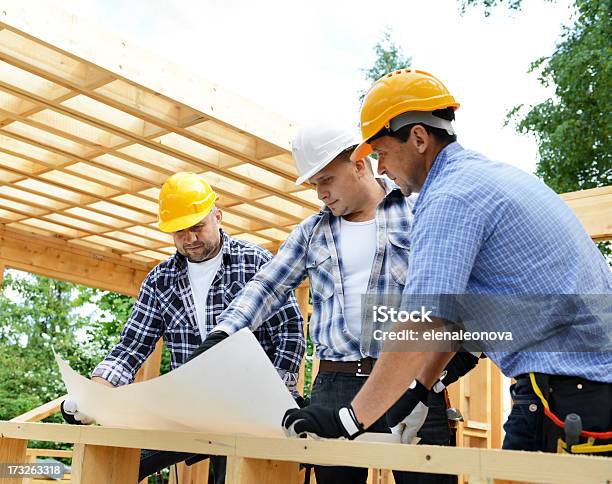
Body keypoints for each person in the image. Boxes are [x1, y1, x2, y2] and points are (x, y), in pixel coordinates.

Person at [281, 68, 612, 458]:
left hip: (568, 393)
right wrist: (418, 392)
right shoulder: (480, 177)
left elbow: (422, 318)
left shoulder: (450, 198)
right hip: (581, 390)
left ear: (418, 138)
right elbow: (452, 319)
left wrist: (350, 420)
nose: (381, 169)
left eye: (382, 153)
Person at [193, 122, 479, 484]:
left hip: (409, 381)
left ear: (360, 164)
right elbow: (267, 286)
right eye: (314, 185)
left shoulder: (420, 211)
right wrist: (224, 332)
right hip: (334, 387)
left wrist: (436, 378)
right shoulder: (312, 232)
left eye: (326, 180)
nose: (320, 194)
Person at [61, 172, 306, 482]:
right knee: (118, 462)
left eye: (197, 227)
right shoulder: (160, 280)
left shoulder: (255, 262)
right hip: (192, 409)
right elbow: (130, 348)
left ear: (217, 216)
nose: (190, 239)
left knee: (234, 476)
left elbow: (290, 331)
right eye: (179, 232)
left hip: (251, 408)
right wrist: (95, 393)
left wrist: (276, 391)